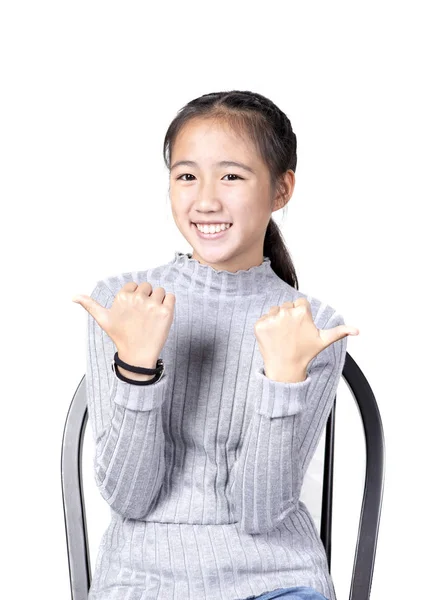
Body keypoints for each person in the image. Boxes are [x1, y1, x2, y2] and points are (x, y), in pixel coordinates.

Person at [72, 90, 359, 600]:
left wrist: (282, 382)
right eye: (186, 176)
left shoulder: (309, 326)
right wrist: (137, 368)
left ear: (281, 190)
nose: (204, 199)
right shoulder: (126, 305)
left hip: (277, 581)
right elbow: (129, 498)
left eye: (231, 175)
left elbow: (260, 512)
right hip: (143, 581)